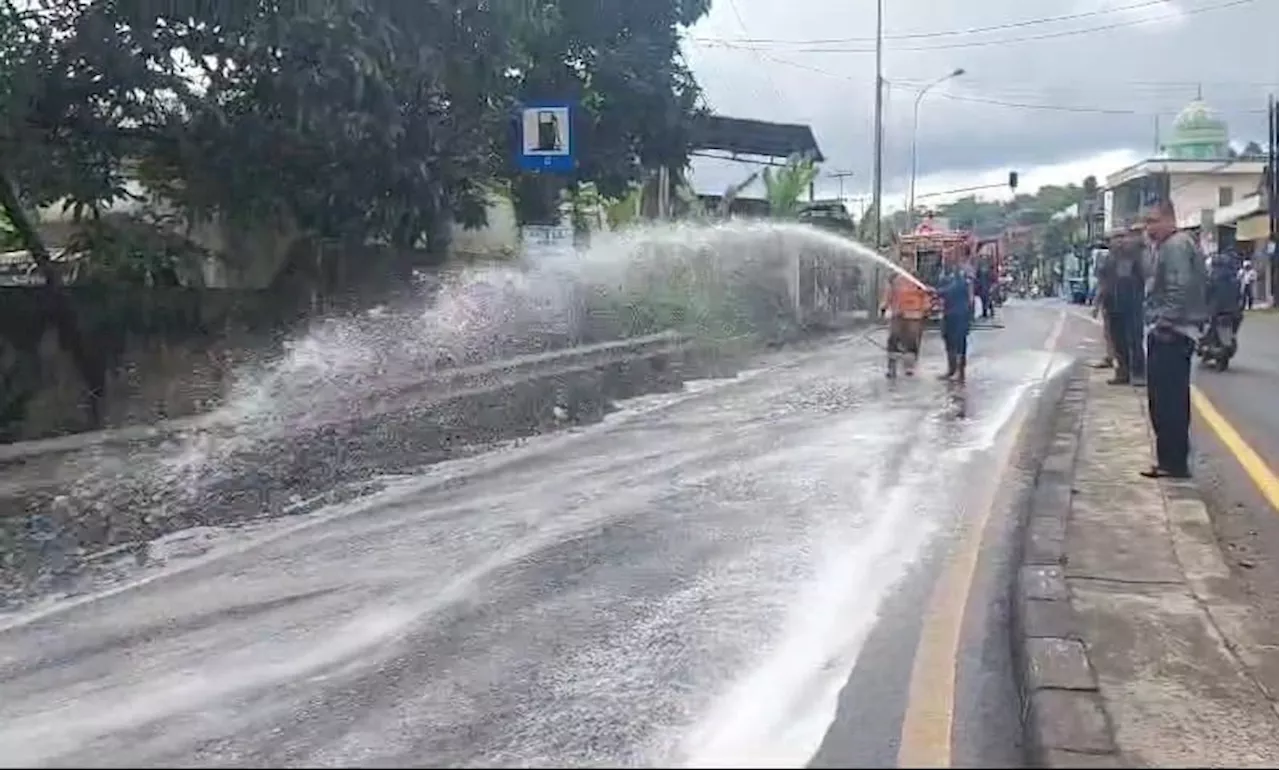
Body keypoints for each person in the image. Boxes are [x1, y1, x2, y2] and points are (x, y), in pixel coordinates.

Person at [1141, 200, 1208, 480]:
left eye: (1153, 221)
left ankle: (1173, 462)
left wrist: (1163, 324)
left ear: (1170, 219)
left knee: (1168, 401)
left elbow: (1178, 289)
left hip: (1173, 333)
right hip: (1173, 330)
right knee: (1167, 400)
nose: (1149, 228)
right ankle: (1170, 460)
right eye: (1146, 222)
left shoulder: (1175, 246)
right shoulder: (1172, 246)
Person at [1096, 227, 1147, 385]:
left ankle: (1139, 373)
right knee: (1118, 340)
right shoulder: (1108, 258)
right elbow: (1103, 282)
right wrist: (1098, 302)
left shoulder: (1136, 255)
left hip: (1132, 303)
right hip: (1112, 304)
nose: (1119, 240)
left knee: (1134, 339)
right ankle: (1122, 373)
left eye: (1122, 236)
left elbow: (1147, 276)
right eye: (1115, 237)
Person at [880, 272, 932, 377]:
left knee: (911, 341)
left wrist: (926, 309)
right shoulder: (894, 278)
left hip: (914, 315)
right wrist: (884, 306)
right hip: (897, 314)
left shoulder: (918, 278)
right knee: (893, 339)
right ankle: (892, 367)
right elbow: (888, 293)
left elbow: (924, 294)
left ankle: (909, 366)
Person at [934, 257, 973, 383]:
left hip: (960, 315)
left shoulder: (963, 277)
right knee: (949, 341)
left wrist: (937, 292)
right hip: (949, 314)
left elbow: (953, 289)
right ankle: (951, 370)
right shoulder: (947, 276)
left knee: (959, 342)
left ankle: (960, 372)